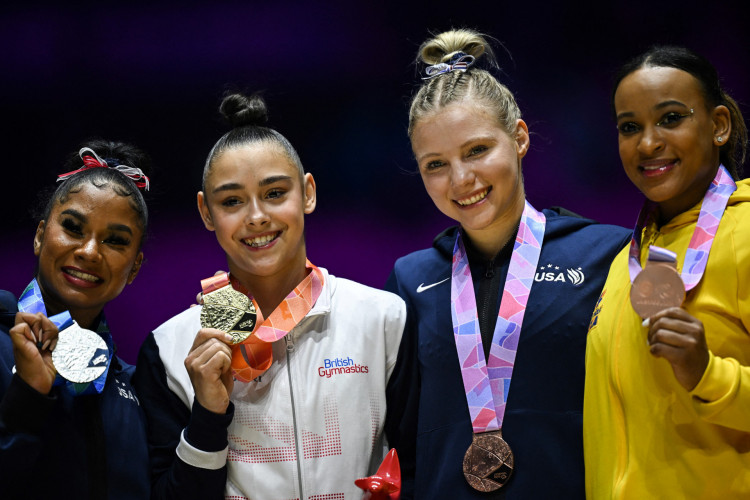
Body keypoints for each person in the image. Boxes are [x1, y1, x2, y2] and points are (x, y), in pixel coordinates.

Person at [383, 29, 631, 499]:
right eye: (435, 164)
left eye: (477, 150)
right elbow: (398, 438)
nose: (461, 179)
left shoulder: (604, 255)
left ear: (519, 138)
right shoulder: (411, 279)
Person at [133, 93, 406, 499]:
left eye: (275, 193)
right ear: (206, 212)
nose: (257, 216)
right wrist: (208, 414)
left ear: (308, 193)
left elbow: (420, 465)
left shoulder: (383, 321)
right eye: (231, 201)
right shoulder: (170, 350)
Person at [584, 46, 750, 498]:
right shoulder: (625, 262)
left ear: (718, 125)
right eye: (629, 127)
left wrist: (708, 373)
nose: (648, 143)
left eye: (671, 118)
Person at [0, 140, 153, 499]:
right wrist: (27, 396)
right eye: (73, 227)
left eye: (115, 241)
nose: (88, 252)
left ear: (134, 268)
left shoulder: (133, 385)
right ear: (40, 236)